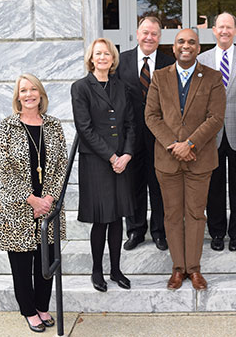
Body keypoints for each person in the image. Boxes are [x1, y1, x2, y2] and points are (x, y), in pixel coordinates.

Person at [145, 28, 226, 291]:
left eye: (192, 42)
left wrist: (190, 144)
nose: (186, 46)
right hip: (167, 160)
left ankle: (194, 269)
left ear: (199, 48)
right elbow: (152, 116)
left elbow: (215, 118)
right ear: (174, 47)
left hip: (199, 159)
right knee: (171, 215)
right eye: (181, 41)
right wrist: (174, 145)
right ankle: (178, 269)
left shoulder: (213, 77)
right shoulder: (159, 77)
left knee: (195, 214)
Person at [0, 73, 68, 333]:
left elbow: (62, 166)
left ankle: (42, 306)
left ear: (41, 94)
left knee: (45, 260)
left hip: (48, 206)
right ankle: (28, 310)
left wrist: (47, 198)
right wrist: (31, 199)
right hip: (18, 207)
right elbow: (4, 169)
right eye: (23, 90)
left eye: (33, 89)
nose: (29, 94)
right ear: (17, 97)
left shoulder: (54, 125)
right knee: (22, 263)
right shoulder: (6, 126)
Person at [71, 38, 135, 293]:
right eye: (98, 54)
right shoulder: (81, 87)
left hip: (122, 161)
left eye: (106, 54)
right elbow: (84, 128)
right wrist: (112, 157)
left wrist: (127, 154)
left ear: (113, 58)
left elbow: (131, 124)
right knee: (101, 218)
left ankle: (116, 269)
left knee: (117, 217)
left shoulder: (122, 87)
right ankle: (97, 270)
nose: (102, 58)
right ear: (91, 58)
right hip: (97, 162)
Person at [197, 12, 236, 252]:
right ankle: (216, 233)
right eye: (220, 27)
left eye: (229, 27)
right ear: (213, 30)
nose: (224, 31)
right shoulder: (201, 60)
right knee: (213, 187)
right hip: (210, 135)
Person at [116, 16, 175, 251]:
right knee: (133, 184)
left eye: (154, 33)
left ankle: (160, 232)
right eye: (145, 32)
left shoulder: (169, 63)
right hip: (130, 135)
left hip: (160, 136)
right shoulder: (121, 62)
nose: (149, 37)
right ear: (137, 34)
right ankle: (135, 230)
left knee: (159, 185)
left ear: (160, 37)